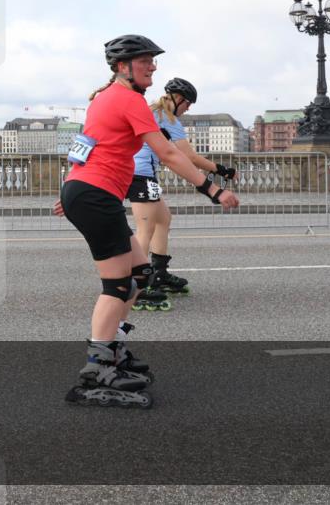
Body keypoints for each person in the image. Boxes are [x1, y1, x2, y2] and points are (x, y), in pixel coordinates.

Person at [53, 34, 239, 408]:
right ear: (123, 67)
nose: (153, 66)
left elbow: (85, 144)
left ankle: (114, 354)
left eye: (153, 61)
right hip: (94, 194)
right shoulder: (127, 99)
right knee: (117, 286)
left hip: (90, 192)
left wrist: (71, 187)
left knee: (139, 279)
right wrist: (213, 189)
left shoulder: (104, 97)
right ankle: (97, 370)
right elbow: (168, 152)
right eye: (145, 61)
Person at [128, 78, 237, 298]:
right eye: (188, 104)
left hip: (141, 174)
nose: (187, 110)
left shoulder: (153, 112)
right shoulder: (167, 119)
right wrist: (222, 170)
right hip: (141, 175)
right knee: (145, 229)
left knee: (164, 219)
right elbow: (189, 156)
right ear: (178, 99)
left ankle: (159, 273)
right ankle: (137, 285)